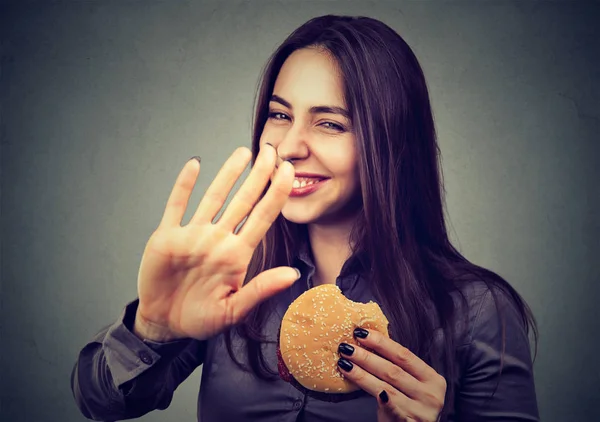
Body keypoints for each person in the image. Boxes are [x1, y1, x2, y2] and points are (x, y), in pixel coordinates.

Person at [71, 14, 539, 422]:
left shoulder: (478, 310)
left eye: (330, 122)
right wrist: (152, 326)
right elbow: (101, 402)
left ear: (390, 142)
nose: (290, 147)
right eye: (279, 115)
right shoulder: (233, 278)